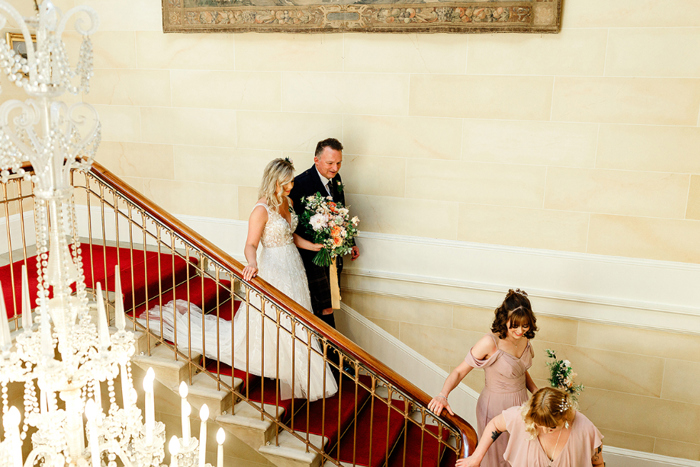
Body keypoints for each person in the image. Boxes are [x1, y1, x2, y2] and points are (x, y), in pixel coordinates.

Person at [139, 158, 338, 401]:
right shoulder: (261, 210)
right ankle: (283, 365)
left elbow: (292, 236)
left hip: (294, 267)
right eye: (285, 183)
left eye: (291, 181)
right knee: (281, 318)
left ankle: (302, 366)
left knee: (297, 316)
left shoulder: (288, 202)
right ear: (274, 180)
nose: (290, 186)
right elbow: (251, 244)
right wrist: (252, 263)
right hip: (273, 269)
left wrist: (315, 247)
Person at [428, 289, 538, 467]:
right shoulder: (489, 343)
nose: (520, 330)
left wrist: (537, 393)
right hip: (495, 407)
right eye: (515, 325)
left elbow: (520, 371)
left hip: (522, 404)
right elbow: (459, 371)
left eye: (525, 325)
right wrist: (443, 394)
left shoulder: (524, 339)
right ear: (505, 319)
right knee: (497, 458)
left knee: (519, 456)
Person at [289, 138, 360, 330]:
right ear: (316, 160)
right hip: (311, 259)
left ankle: (327, 355)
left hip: (332, 256)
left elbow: (341, 210)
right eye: (330, 163)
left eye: (338, 163)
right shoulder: (299, 184)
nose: (335, 168)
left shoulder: (336, 179)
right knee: (323, 307)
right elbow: (291, 225)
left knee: (330, 304)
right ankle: (330, 357)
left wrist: (350, 241)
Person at [457, 387, 605, 467]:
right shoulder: (523, 417)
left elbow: (598, 463)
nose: (545, 431)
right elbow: (495, 424)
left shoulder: (585, 429)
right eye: (540, 425)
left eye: (552, 427)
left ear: (565, 416)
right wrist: (476, 457)